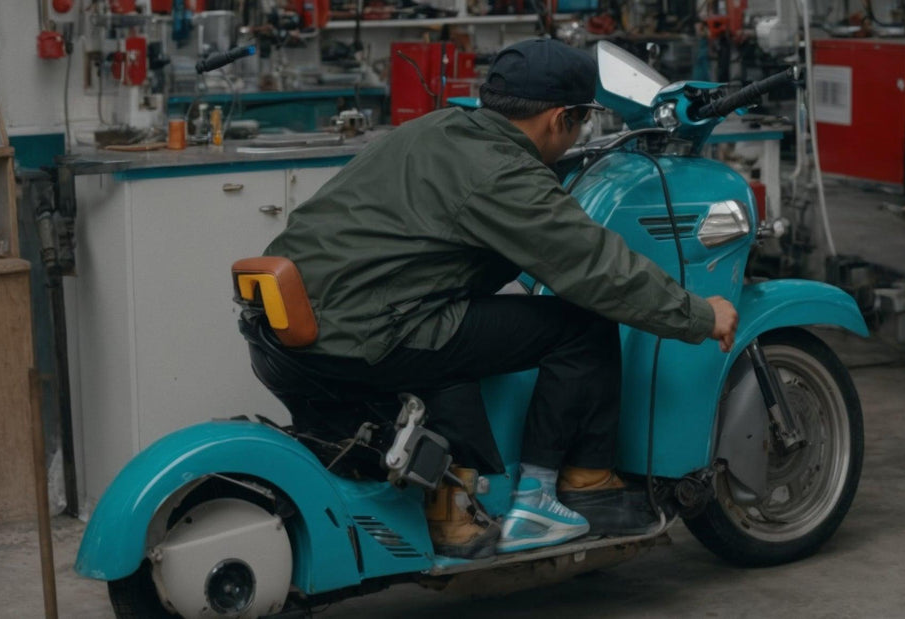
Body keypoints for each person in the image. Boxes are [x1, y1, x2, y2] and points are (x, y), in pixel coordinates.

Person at [251, 38, 739, 559]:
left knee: (470, 332)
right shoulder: (503, 173)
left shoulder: (436, 130)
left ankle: (462, 499)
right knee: (583, 323)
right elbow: (598, 270)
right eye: (582, 122)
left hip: (286, 327)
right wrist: (698, 314)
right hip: (366, 333)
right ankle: (564, 495)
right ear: (559, 119)